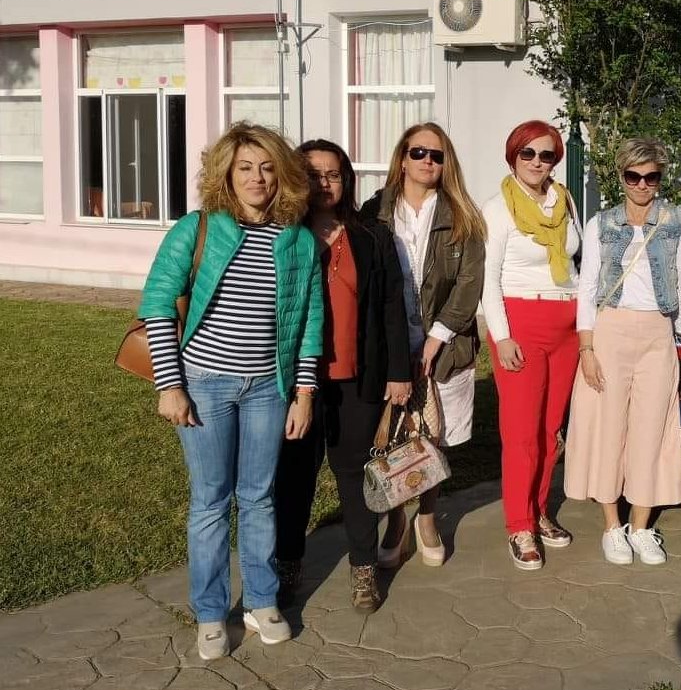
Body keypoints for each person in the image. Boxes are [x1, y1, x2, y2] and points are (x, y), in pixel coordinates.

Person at [138, 122, 323, 660]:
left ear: (282, 175)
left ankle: (262, 601)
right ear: (226, 173)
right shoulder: (197, 228)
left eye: (267, 167)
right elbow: (157, 303)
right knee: (210, 502)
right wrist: (170, 385)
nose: (256, 177)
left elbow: (309, 322)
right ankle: (211, 612)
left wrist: (304, 393)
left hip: (269, 387)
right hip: (204, 385)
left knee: (259, 497)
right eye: (244, 167)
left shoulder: (298, 240)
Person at [273, 139, 413, 614]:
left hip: (357, 378)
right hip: (295, 381)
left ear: (346, 180)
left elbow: (392, 305)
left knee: (355, 476)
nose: (324, 183)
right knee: (294, 478)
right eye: (313, 175)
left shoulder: (371, 235)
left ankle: (363, 568)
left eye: (333, 175)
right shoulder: (282, 235)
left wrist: (399, 372)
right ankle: (288, 565)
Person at [564, 138, 681, 566]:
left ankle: (641, 527)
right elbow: (587, 287)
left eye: (651, 177)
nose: (642, 185)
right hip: (611, 331)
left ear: (661, 178)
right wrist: (586, 347)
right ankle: (612, 526)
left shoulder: (679, 219)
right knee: (608, 428)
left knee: (652, 428)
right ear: (621, 176)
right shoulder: (600, 223)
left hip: (657, 333)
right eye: (634, 176)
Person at [361, 122, 486, 568]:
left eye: (437, 155)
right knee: (394, 436)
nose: (428, 161)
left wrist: (437, 337)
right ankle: (397, 518)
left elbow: (469, 283)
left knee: (435, 437)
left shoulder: (462, 213)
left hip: (446, 347)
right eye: (419, 152)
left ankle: (428, 516)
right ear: (402, 158)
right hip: (391, 348)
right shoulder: (374, 211)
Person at [482, 120, 582, 570]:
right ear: (513, 156)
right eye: (529, 153)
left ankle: (539, 510)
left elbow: (575, 264)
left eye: (547, 155)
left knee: (550, 429)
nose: (538, 162)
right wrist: (502, 336)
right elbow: (489, 280)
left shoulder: (564, 201)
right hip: (521, 323)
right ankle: (518, 524)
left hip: (566, 326)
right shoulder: (498, 209)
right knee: (521, 432)